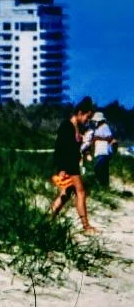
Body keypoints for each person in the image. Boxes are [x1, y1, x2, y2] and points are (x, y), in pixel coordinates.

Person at [51, 97, 98, 233]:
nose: (87, 121)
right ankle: (86, 226)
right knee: (81, 192)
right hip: (68, 165)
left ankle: (49, 220)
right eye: (87, 117)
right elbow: (60, 148)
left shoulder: (76, 127)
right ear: (79, 112)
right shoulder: (67, 126)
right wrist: (62, 169)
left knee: (65, 194)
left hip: (72, 164)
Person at [84, 110, 117, 191]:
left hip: (104, 152)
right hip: (100, 152)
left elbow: (110, 138)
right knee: (102, 169)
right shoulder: (99, 128)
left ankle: (103, 185)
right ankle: (104, 186)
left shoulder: (105, 126)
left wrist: (98, 138)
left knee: (99, 168)